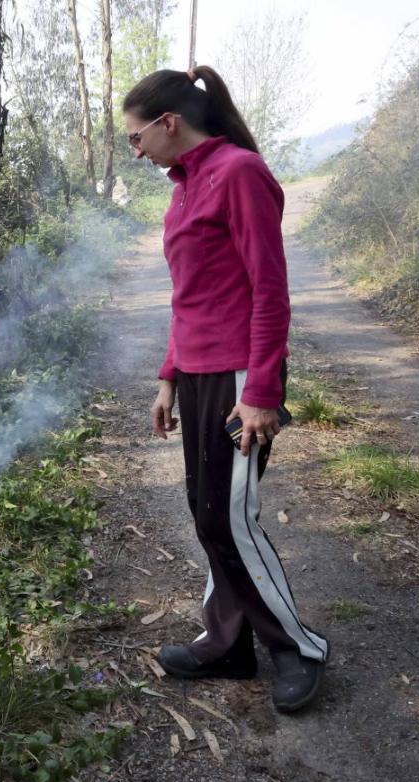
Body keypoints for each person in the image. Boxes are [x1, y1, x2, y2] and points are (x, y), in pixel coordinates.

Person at [121, 66, 329, 712]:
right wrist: (167, 377)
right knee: (206, 512)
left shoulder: (239, 173)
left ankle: (298, 647)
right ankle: (229, 643)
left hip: (242, 376)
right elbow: (190, 300)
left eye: (135, 137)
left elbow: (270, 290)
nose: (135, 150)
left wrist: (262, 390)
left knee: (230, 517)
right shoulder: (182, 191)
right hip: (199, 375)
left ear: (168, 123)